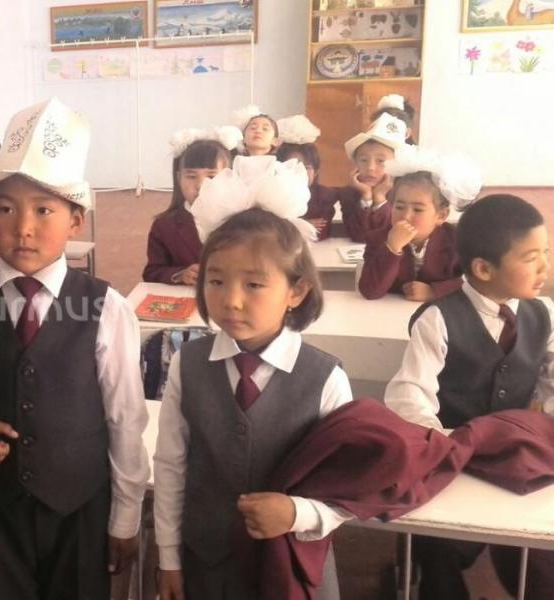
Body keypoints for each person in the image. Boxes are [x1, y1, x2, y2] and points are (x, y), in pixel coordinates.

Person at [0, 98, 150, 599]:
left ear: (75, 221)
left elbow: (125, 418)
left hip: (81, 507)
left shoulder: (106, 308)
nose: (23, 227)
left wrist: (124, 516)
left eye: (44, 210)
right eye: (5, 209)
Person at [155, 157, 353, 600]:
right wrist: (168, 556)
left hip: (290, 568)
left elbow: (348, 487)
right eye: (216, 281)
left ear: (296, 291)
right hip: (207, 564)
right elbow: (170, 464)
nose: (231, 301)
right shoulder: (188, 364)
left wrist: (297, 513)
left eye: (254, 285)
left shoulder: (326, 378)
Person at [384, 193, 554, 599]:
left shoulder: (543, 312)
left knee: (537, 552)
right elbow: (409, 396)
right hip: (454, 457)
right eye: (531, 257)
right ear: (483, 268)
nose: (545, 267)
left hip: (516, 457)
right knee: (439, 550)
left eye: (545, 253)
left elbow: (551, 382)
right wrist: (445, 448)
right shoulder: (438, 319)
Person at [357, 147, 478, 301]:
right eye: (399, 207)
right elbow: (370, 291)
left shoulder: (456, 241)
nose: (405, 216)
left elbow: (475, 284)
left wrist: (434, 292)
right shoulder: (378, 238)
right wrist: (392, 248)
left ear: (441, 215)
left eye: (418, 209)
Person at [142, 126, 238, 284]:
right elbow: (152, 272)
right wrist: (180, 275)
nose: (200, 185)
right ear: (179, 178)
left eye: (211, 176)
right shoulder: (164, 226)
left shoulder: (242, 223)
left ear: (229, 178)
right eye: (191, 176)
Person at [339, 113, 408, 242]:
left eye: (381, 161)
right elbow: (358, 235)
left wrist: (380, 198)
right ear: (355, 163)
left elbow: (391, 234)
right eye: (363, 160)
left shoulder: (403, 193)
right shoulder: (348, 193)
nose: (370, 167)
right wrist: (366, 196)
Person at [276, 114, 337, 240]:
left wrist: (289, 226)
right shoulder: (271, 195)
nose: (300, 172)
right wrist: (303, 226)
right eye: (293, 166)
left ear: (316, 172)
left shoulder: (324, 196)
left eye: (307, 167)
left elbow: (319, 232)